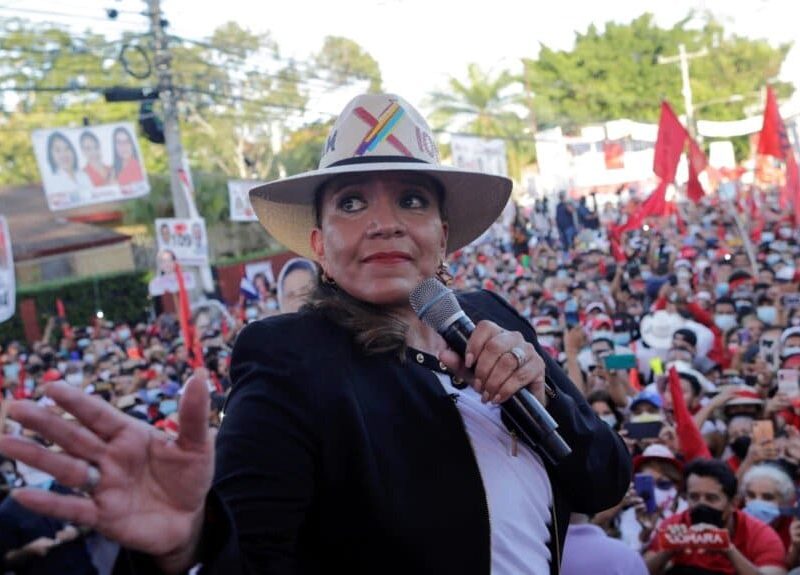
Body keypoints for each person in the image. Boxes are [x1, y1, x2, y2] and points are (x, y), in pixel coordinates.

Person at [0, 93, 631, 574]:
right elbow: (253, 549)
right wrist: (189, 539)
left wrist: (543, 401)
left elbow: (601, 482)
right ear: (319, 246)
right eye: (352, 203)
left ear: (444, 234)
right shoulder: (288, 359)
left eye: (412, 200)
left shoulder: (493, 316)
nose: (384, 224)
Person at [645, 458, 786, 575]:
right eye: (694, 497)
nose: (701, 504)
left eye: (711, 498)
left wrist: (728, 550)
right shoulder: (675, 526)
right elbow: (638, 570)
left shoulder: (760, 535)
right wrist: (668, 551)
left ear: (733, 503)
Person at [44, 131, 92, 205]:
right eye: (58, 150)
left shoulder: (83, 175)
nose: (64, 154)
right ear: (51, 156)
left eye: (67, 149)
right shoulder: (51, 182)